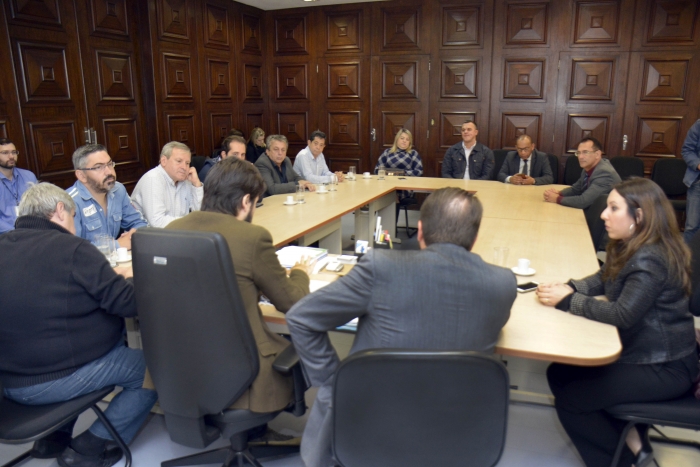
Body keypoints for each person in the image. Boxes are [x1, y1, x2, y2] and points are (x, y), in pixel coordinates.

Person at [286, 187, 517, 467]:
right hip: (456, 426)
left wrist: (333, 380)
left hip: (373, 419)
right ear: (475, 238)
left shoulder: (381, 267)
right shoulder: (502, 284)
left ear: (419, 231)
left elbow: (301, 317)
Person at [537, 177, 698, 467]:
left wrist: (568, 300)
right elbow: (604, 277)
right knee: (559, 372)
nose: (603, 214)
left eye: (613, 208)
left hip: (665, 367)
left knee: (572, 399)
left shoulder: (651, 258)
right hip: (646, 354)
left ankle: (622, 460)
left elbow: (622, 314)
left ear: (639, 216)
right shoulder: (632, 245)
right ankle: (633, 441)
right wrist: (569, 286)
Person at [0, 183, 156, 467]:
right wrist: (132, 279)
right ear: (60, 211)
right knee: (153, 370)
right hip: (52, 378)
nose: (75, 225)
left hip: (8, 380)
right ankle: (89, 448)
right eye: (74, 217)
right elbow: (128, 303)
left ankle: (54, 437)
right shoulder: (72, 249)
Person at [166, 158, 311, 437]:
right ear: (246, 201)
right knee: (302, 343)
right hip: (243, 368)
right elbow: (292, 303)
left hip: (184, 366)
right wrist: (300, 273)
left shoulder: (171, 229)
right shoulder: (251, 237)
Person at [67, 144, 147, 249]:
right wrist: (117, 245)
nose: (109, 172)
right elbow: (72, 248)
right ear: (81, 175)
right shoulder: (69, 202)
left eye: (109, 164)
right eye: (98, 167)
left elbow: (139, 223)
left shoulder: (118, 190)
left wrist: (134, 234)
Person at [131, 141, 203, 227]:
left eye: (187, 163)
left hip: (177, 231)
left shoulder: (186, 180)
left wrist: (196, 185)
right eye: (179, 161)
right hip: (148, 233)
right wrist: (189, 222)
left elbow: (201, 216)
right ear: (164, 161)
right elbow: (157, 222)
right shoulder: (153, 179)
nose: (184, 167)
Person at [544, 137, 620, 209]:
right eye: (578, 153)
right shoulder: (588, 167)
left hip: (604, 216)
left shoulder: (604, 173)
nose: (580, 157)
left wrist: (557, 198)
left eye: (585, 152)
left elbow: (583, 201)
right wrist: (559, 193)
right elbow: (576, 189)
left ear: (597, 154)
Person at [0, 138, 37, 233]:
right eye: (5, 153)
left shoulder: (29, 176)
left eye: (14, 152)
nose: (11, 156)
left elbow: (40, 206)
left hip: (33, 230)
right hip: (6, 235)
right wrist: (17, 233)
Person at [682, 119, 700, 242]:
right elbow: (686, 150)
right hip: (698, 182)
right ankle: (687, 254)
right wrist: (698, 164)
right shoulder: (699, 124)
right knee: (692, 226)